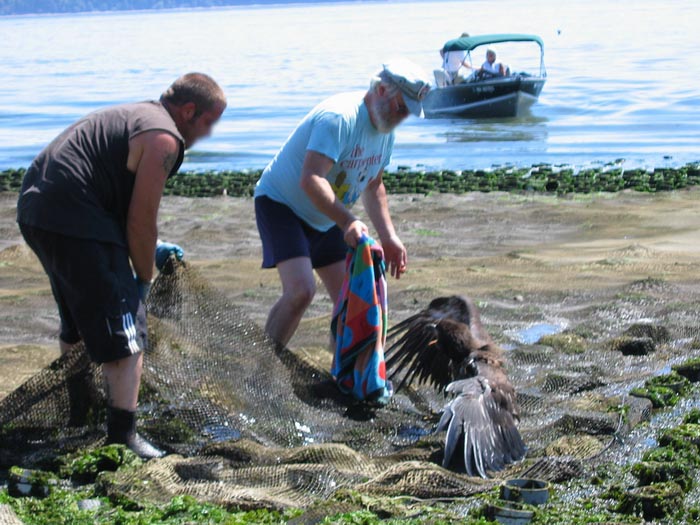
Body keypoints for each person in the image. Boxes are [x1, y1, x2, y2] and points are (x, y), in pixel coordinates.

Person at [16, 72, 227, 458]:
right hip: (73, 216)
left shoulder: (138, 115)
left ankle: (81, 411)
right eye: (208, 123)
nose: (208, 134)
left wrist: (153, 245)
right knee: (128, 330)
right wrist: (143, 280)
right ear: (189, 110)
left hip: (36, 210)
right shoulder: (165, 138)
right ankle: (122, 436)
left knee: (78, 321)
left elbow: (115, 195)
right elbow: (140, 220)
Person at [254, 60, 430, 348]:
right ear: (382, 89)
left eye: (409, 112)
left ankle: (345, 375)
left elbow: (374, 185)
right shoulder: (339, 118)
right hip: (281, 203)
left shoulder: (386, 132)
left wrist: (389, 237)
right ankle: (262, 367)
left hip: (325, 216)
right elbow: (311, 179)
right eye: (402, 107)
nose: (403, 116)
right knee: (301, 291)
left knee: (353, 302)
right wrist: (348, 221)